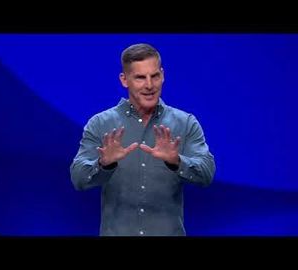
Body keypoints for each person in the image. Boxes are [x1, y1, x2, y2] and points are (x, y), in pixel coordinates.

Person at [70, 43, 216, 236]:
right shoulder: (100, 124)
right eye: (140, 77)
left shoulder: (185, 123)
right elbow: (78, 178)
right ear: (124, 80)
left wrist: (177, 162)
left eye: (154, 76)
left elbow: (207, 175)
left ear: (162, 75)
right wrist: (103, 165)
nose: (149, 85)